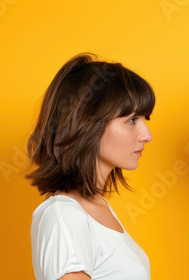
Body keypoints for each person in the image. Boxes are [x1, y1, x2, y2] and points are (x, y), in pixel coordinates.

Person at [26, 53, 154, 280]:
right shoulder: (64, 215)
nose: (147, 135)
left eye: (145, 119)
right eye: (132, 120)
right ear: (87, 124)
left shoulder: (96, 208)